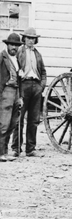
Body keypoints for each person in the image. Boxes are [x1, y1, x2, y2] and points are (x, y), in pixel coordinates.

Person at [12, 27, 46, 157]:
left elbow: (43, 71)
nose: (31, 41)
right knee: (18, 118)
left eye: (33, 38)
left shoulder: (37, 54)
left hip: (36, 86)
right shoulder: (19, 52)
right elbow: (14, 69)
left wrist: (41, 86)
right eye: (28, 38)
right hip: (23, 86)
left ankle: (30, 149)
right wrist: (18, 87)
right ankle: (16, 148)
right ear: (24, 39)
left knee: (34, 120)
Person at [0, 33, 23, 162]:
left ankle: (5, 152)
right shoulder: (2, 57)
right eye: (12, 45)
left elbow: (19, 80)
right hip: (5, 92)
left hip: (16, 93)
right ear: (7, 45)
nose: (14, 47)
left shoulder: (17, 59)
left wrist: (20, 97)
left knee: (12, 123)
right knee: (3, 123)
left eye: (16, 45)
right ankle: (0, 152)